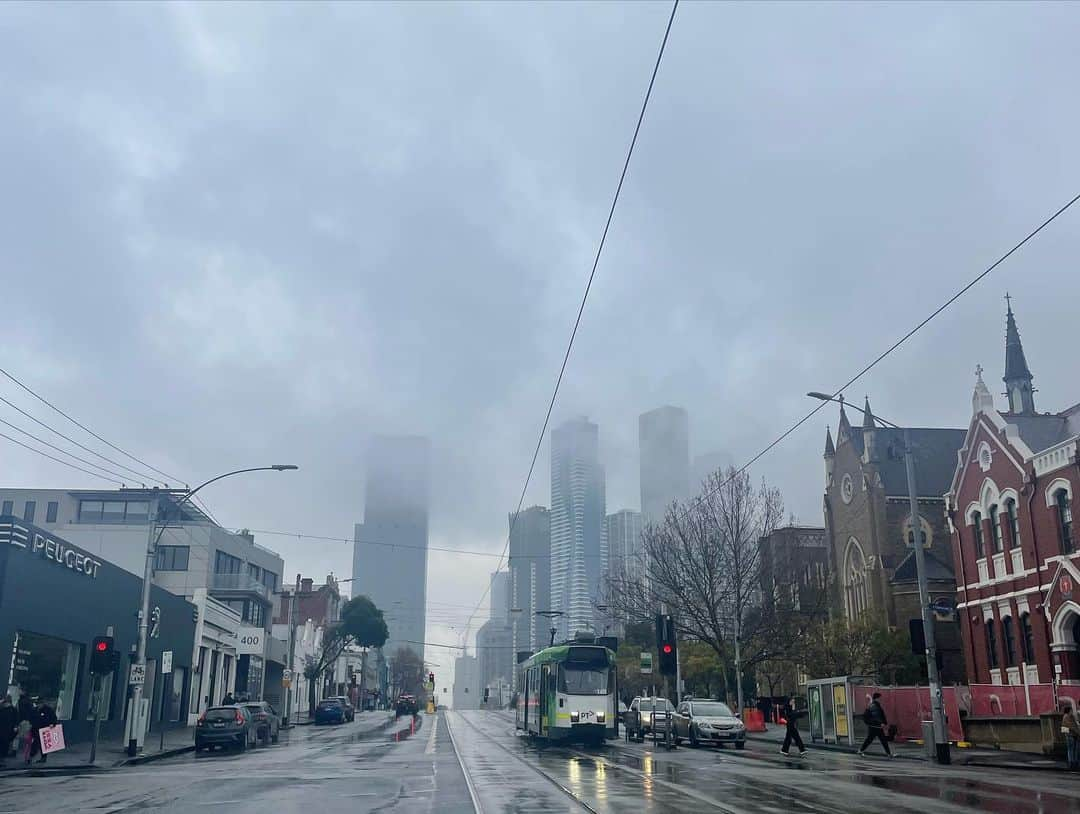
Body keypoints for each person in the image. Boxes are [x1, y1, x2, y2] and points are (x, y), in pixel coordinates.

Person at [859, 692, 893, 757]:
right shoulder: (874, 706)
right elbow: (876, 716)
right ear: (877, 698)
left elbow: (879, 715)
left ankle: (889, 753)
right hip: (875, 727)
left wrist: (883, 723)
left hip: (875, 726)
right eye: (880, 698)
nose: (881, 699)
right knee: (874, 740)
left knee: (876, 740)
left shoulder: (875, 705)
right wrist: (881, 723)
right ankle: (889, 753)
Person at [27, 699, 57, 765]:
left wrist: (53, 724)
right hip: (36, 729)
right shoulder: (35, 710)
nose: (38, 705)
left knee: (43, 744)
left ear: (42, 704)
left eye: (39, 704)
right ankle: (31, 757)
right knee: (35, 743)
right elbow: (31, 718)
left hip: (45, 729)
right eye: (37, 704)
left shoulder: (48, 710)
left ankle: (42, 757)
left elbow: (54, 718)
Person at [1062, 703, 1080, 771]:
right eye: (1071, 710)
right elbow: (1072, 727)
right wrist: (1078, 733)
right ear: (1068, 710)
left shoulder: (1066, 716)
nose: (1072, 711)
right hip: (1070, 735)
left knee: (1072, 750)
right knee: (1071, 750)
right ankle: (1072, 764)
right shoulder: (1067, 717)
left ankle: (1072, 763)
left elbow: (1064, 728)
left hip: (1070, 735)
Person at [0, 696, 17, 763]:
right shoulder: (2, 709)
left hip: (7, 729)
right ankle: (2, 757)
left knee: (5, 743)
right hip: (5, 728)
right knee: (4, 743)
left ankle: (2, 757)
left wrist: (15, 726)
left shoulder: (12, 710)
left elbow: (16, 719)